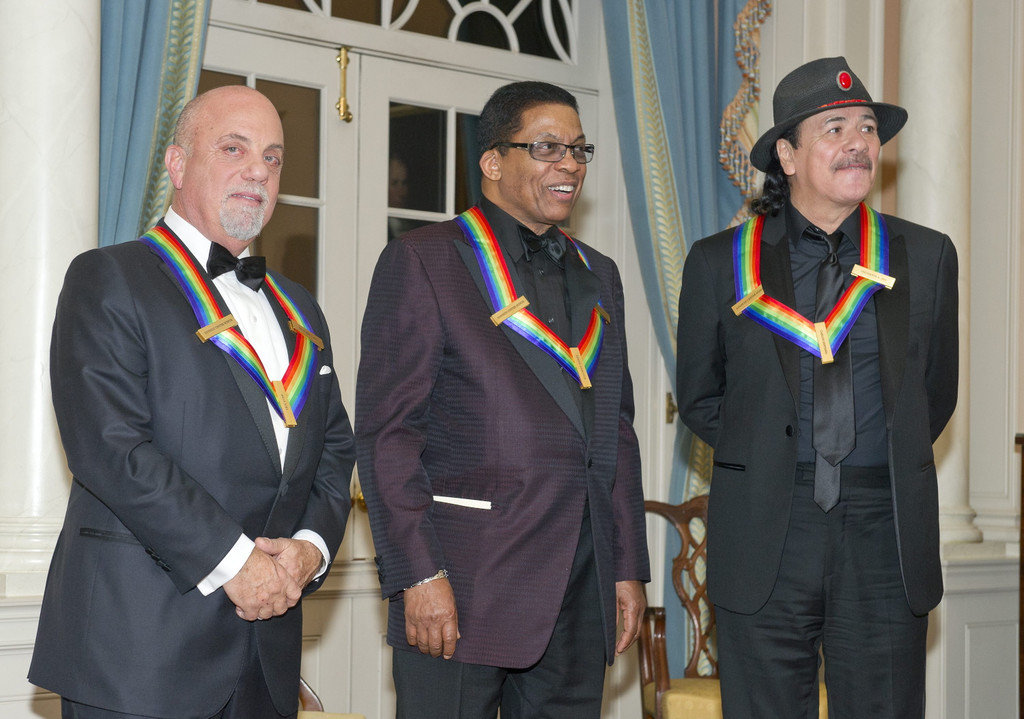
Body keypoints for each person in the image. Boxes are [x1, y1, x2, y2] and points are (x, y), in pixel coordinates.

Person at [29, 86, 355, 719]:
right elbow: (112, 450)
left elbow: (335, 447)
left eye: (272, 157)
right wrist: (237, 563)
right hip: (139, 654)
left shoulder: (299, 307)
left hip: (266, 657)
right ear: (177, 165)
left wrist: (309, 549)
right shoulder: (107, 277)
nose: (258, 171)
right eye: (233, 149)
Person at [356, 80, 649, 719]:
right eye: (547, 147)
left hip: (581, 588)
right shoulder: (423, 260)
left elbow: (616, 430)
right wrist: (416, 574)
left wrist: (626, 565)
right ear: (493, 161)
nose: (569, 163)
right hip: (462, 587)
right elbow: (388, 436)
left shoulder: (601, 273)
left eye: (578, 149)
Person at [676, 56, 958, 717]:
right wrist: (770, 454)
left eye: (867, 128)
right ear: (787, 154)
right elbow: (701, 396)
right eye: (835, 128)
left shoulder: (925, 255)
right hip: (766, 527)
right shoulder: (720, 262)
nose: (858, 142)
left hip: (884, 527)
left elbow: (934, 394)